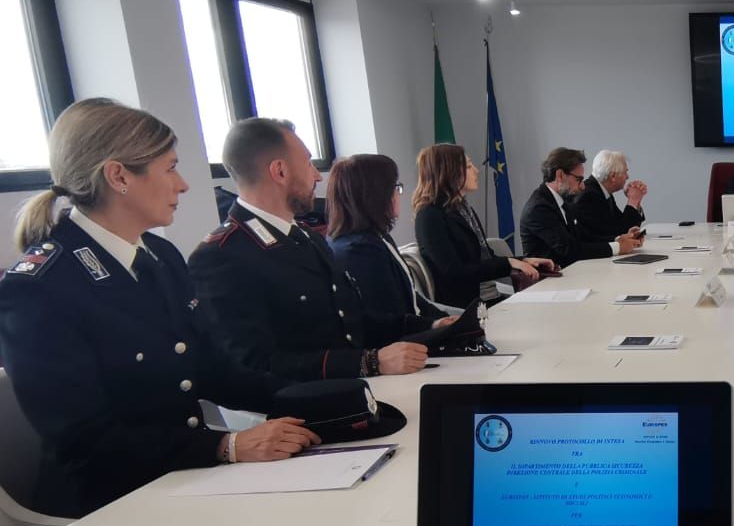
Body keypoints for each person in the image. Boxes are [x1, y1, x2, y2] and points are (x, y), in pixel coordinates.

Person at [0, 99, 320, 518]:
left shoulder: (159, 255)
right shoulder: (39, 287)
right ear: (119, 176)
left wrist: (319, 402)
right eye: (169, 168)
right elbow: (84, 442)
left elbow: (213, 370)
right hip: (108, 508)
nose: (183, 184)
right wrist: (227, 445)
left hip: (181, 477)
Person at [189, 118, 452, 381]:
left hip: (357, 387)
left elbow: (352, 319)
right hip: (309, 400)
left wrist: (433, 325)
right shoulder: (222, 256)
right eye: (308, 163)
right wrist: (369, 363)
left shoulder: (306, 236)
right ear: (280, 171)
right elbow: (254, 364)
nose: (317, 176)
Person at [413, 144, 555, 308]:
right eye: (468, 166)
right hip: (467, 308)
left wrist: (524, 260)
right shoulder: (429, 216)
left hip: (490, 297)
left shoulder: (463, 209)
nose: (476, 170)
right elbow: (453, 272)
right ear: (448, 172)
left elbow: (485, 258)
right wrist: (509, 263)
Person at [325, 154, 447, 320]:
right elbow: (389, 321)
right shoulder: (361, 252)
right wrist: (435, 325)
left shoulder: (377, 236)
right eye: (395, 187)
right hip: (411, 334)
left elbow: (411, 297)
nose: (398, 194)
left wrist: (445, 319)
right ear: (376, 195)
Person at [518, 147, 643, 267]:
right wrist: (617, 247)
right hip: (547, 277)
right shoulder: (539, 208)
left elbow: (582, 236)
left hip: (569, 271)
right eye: (579, 179)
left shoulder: (560, 200)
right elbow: (569, 250)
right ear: (560, 175)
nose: (583, 186)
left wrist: (619, 239)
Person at [571, 149, 647, 238]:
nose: (627, 177)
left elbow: (626, 226)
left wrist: (636, 201)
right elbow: (619, 233)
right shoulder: (589, 196)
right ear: (613, 176)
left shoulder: (602, 191)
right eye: (625, 172)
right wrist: (633, 200)